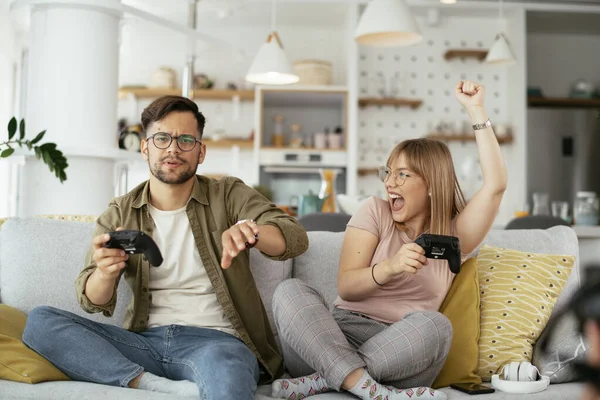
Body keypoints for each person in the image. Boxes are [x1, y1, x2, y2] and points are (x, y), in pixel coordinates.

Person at [22, 95, 309, 400]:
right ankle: (148, 384)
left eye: (186, 139)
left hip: (217, 343)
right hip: (143, 343)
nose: (173, 148)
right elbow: (93, 301)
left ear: (201, 152)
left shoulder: (227, 194)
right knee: (40, 323)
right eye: (162, 138)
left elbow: (294, 236)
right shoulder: (120, 211)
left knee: (227, 374)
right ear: (145, 147)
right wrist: (105, 273)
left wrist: (251, 232)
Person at [271, 80, 507, 400]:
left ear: (432, 186)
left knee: (436, 325)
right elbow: (347, 287)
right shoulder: (376, 212)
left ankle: (327, 381)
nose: (389, 183)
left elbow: (495, 185)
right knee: (289, 291)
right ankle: (369, 389)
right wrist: (391, 266)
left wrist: (476, 110)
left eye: (402, 175)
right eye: (388, 172)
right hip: (331, 338)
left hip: (400, 351)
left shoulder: (454, 235)